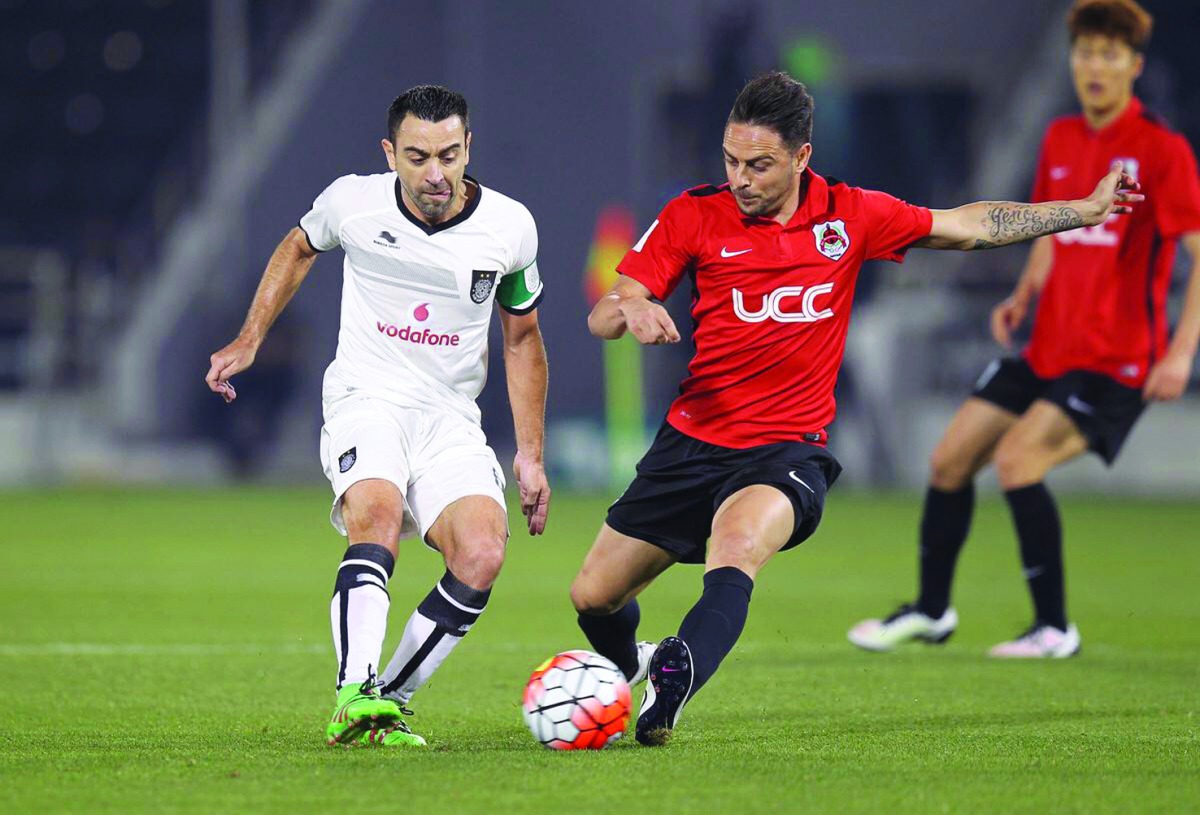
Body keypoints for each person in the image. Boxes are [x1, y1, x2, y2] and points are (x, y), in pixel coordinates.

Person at [568, 70, 1141, 746]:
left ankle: (676, 680)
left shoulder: (851, 215)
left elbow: (967, 226)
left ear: (802, 156)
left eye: (758, 165)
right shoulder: (694, 214)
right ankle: (631, 662)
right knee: (594, 596)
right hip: (690, 442)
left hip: (785, 450)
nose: (740, 179)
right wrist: (631, 306)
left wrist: (1081, 210)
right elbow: (607, 309)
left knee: (738, 544)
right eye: (730, 160)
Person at [849, 0, 1200, 659]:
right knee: (950, 460)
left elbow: (1197, 254)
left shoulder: (1163, 151)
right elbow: (1049, 227)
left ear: (1135, 65)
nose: (1094, 67)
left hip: (1115, 360)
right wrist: (1024, 292)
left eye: (1109, 54)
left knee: (1018, 461)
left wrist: (1181, 352)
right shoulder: (1062, 137)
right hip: (1047, 348)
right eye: (1085, 52)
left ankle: (1054, 627)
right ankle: (932, 610)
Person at [205, 85, 551, 747]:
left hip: (451, 416)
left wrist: (530, 453)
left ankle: (386, 701)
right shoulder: (353, 202)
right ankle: (354, 692)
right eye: (417, 157)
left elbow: (522, 338)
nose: (435, 173)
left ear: (468, 147)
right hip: (367, 397)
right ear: (390, 153)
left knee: (481, 552)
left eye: (449, 155)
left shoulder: (511, 228)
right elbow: (299, 246)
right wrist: (251, 337)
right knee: (377, 516)